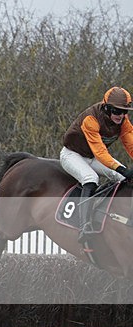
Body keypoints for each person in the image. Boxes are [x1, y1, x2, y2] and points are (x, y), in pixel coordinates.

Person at [61, 86, 133, 242]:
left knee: (122, 178)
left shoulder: (123, 122)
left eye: (124, 112)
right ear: (106, 108)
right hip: (72, 154)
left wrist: (123, 172)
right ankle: (84, 226)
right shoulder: (91, 120)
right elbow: (101, 153)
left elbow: (131, 145)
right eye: (116, 111)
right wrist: (122, 168)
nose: (120, 115)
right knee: (90, 178)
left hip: (92, 156)